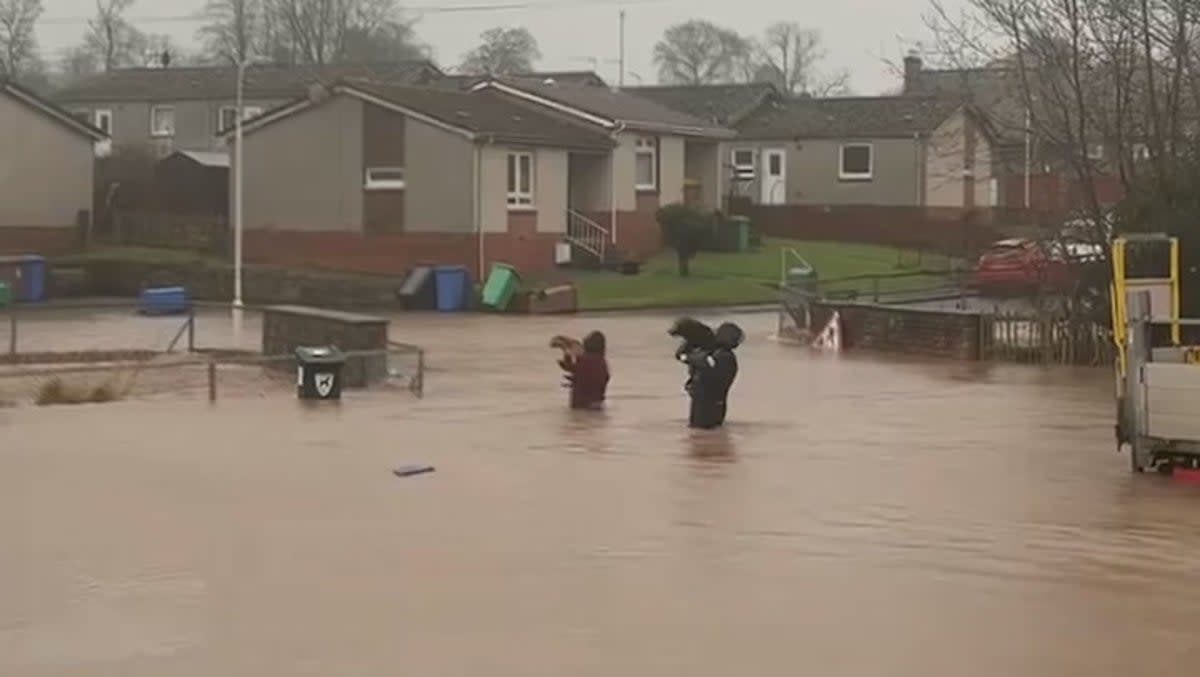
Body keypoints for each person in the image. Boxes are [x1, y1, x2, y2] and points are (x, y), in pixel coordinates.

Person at [680, 322, 743, 429]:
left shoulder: (723, 357)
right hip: (711, 405)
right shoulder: (720, 355)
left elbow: (701, 362)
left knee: (701, 434)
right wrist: (690, 342)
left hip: (708, 407)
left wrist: (687, 356)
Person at [558, 330, 609, 410]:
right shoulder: (602, 362)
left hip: (581, 405)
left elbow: (570, 367)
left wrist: (567, 354)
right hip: (597, 405)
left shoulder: (585, 360)